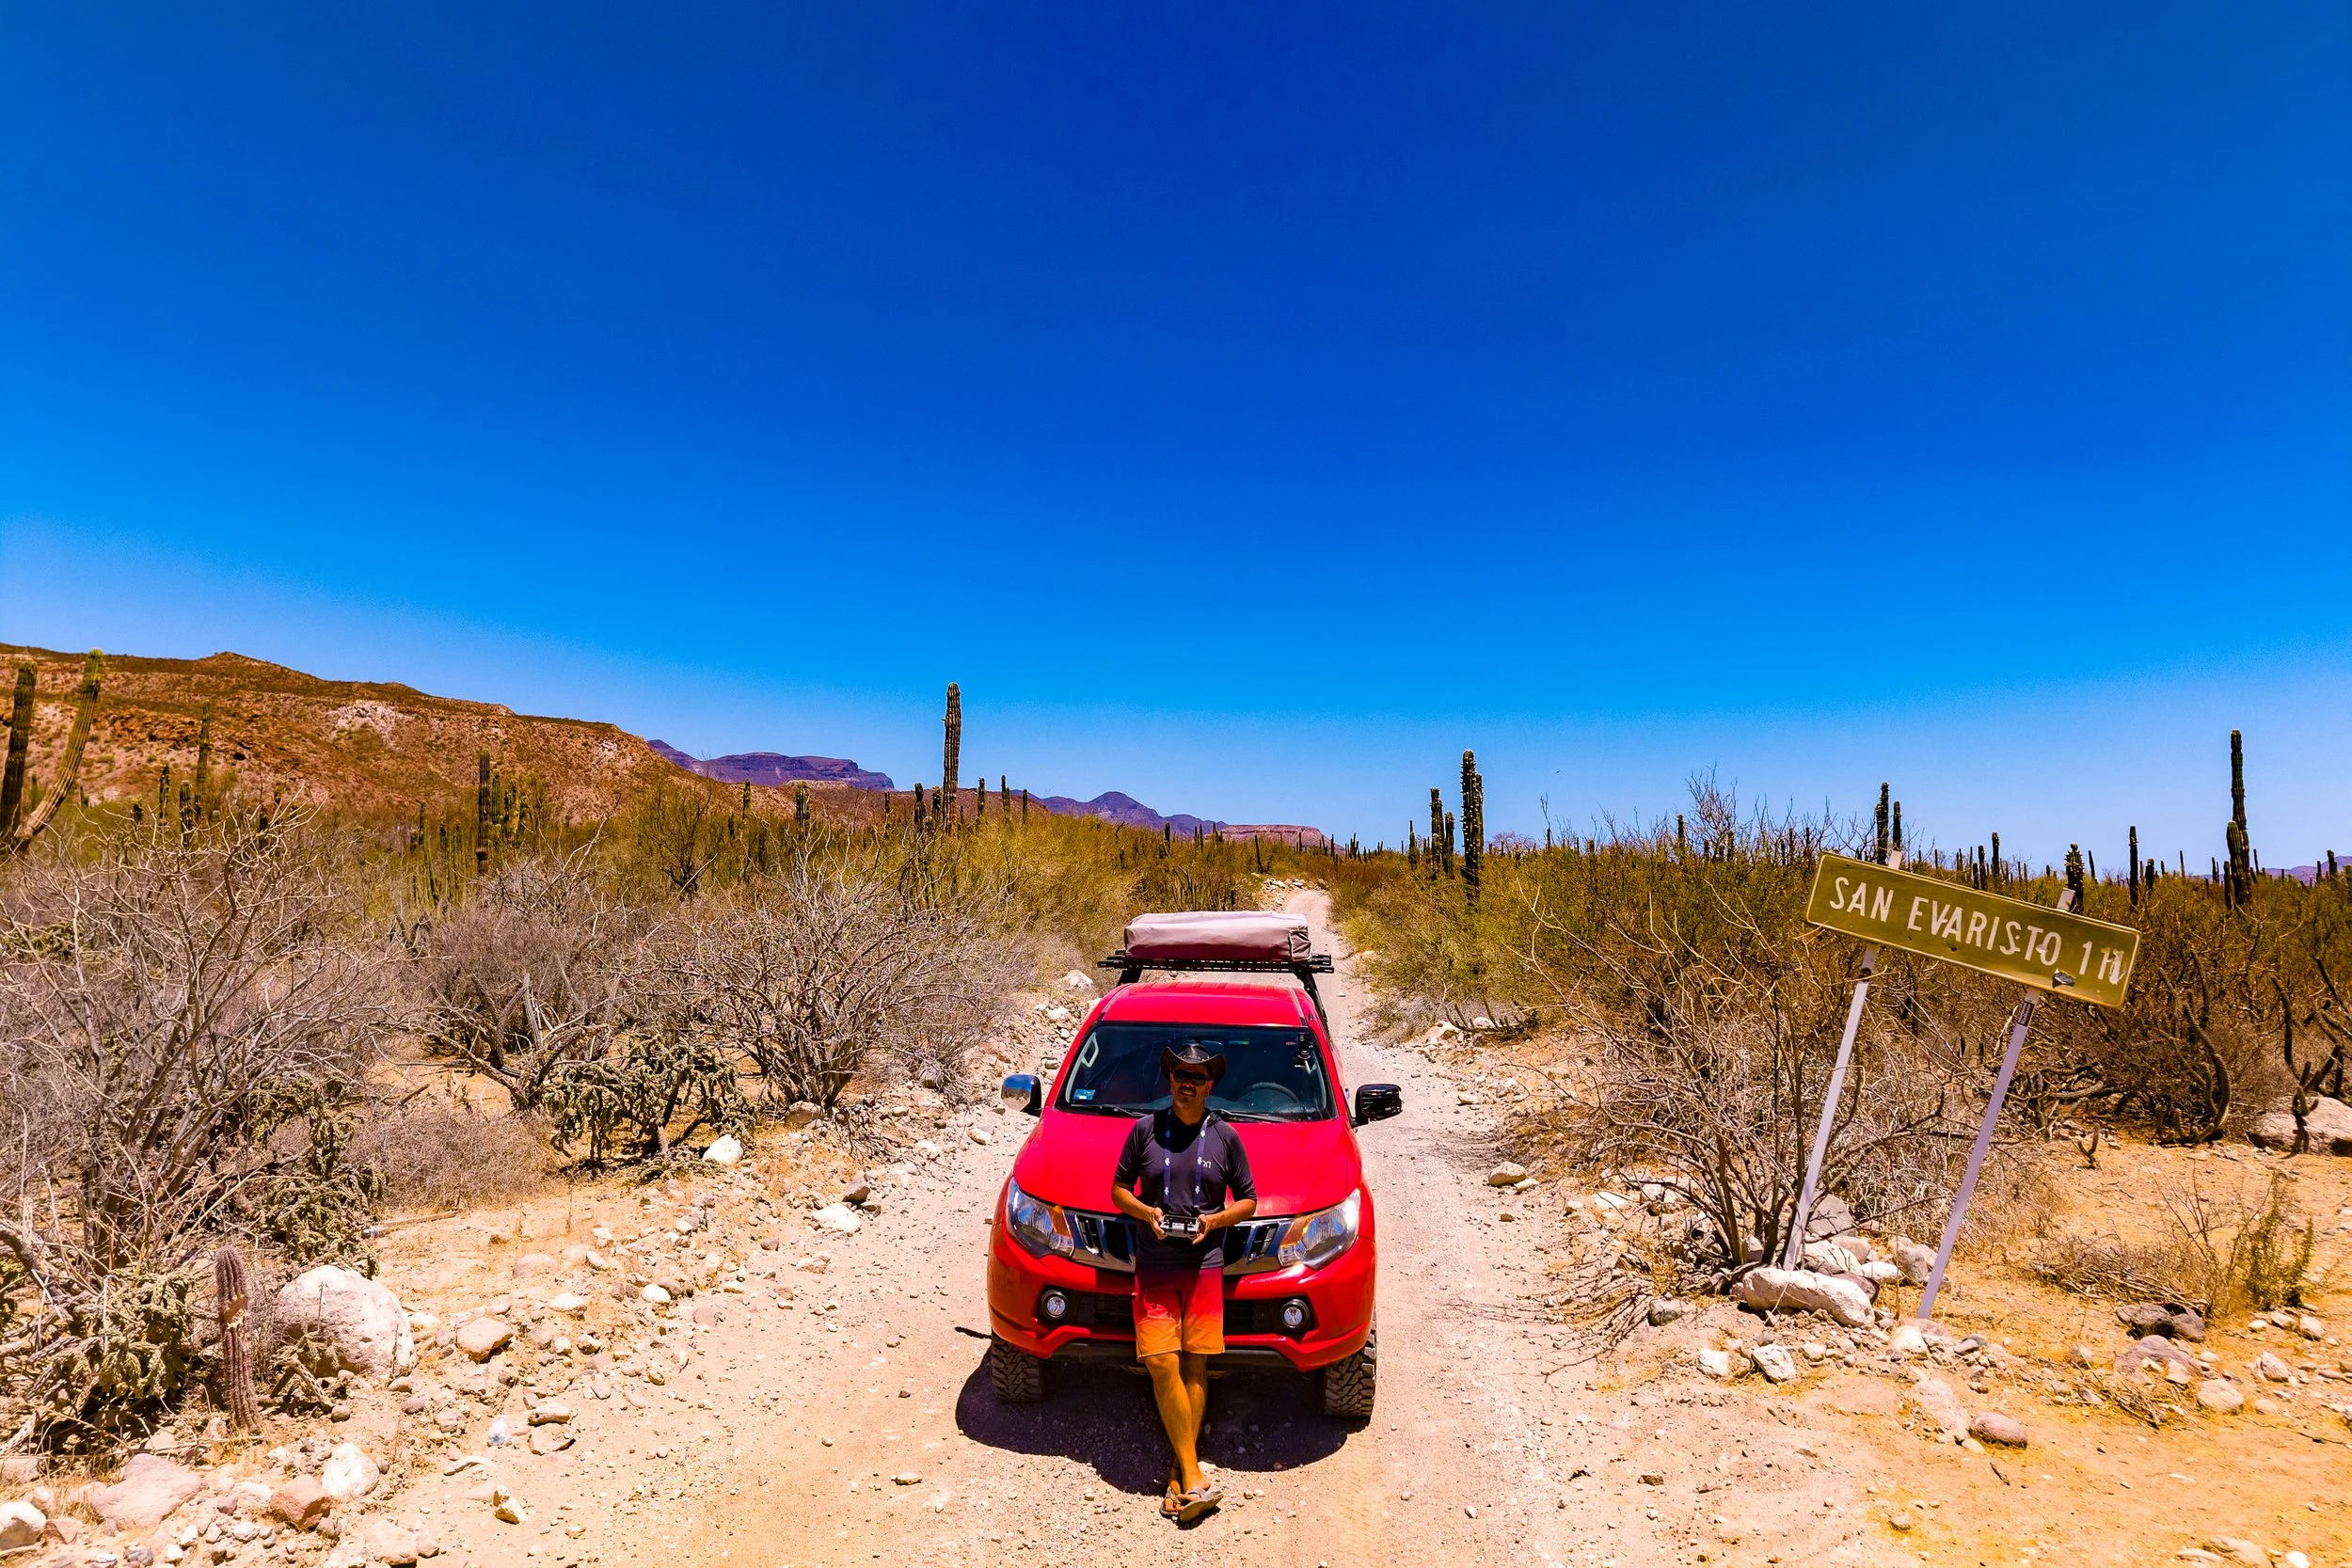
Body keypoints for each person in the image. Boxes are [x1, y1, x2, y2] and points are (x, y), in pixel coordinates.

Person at [1110, 1041, 1257, 1523]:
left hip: (1204, 1266)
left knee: (1195, 1367)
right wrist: (1145, 1212)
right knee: (1158, 1361)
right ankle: (1195, 1477)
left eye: (1196, 1077)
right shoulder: (1144, 1131)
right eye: (1179, 1075)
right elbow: (1117, 1190)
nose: (1186, 1083)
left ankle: (1181, 1472)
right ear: (1170, 1080)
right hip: (1153, 1265)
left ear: (1209, 1085)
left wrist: (1214, 1222)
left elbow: (1249, 1202)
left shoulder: (1227, 1137)